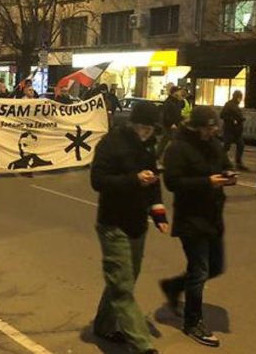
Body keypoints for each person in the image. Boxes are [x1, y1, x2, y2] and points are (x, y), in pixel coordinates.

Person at [90, 102, 168, 354]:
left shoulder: (147, 147)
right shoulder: (111, 143)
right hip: (113, 223)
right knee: (122, 287)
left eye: (150, 129)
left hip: (137, 224)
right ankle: (142, 345)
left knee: (125, 279)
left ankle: (103, 325)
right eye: (142, 128)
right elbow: (98, 181)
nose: (146, 133)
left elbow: (154, 181)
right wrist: (134, 180)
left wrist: (159, 214)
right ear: (132, 123)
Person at [159, 106, 235, 348]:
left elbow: (224, 162)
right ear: (195, 126)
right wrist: (206, 183)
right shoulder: (178, 147)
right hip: (191, 218)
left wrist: (228, 174)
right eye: (206, 128)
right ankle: (193, 322)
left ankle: (173, 286)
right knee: (199, 270)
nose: (210, 132)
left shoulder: (214, 143)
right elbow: (172, 182)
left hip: (213, 216)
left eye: (213, 128)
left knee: (215, 267)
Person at [220, 90, 248, 171]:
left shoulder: (235, 105)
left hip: (236, 131)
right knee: (226, 146)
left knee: (241, 145)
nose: (241, 99)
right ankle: (221, 160)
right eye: (240, 97)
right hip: (230, 130)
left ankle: (238, 162)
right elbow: (222, 115)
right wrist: (233, 120)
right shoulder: (229, 105)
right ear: (237, 97)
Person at [157, 86, 186, 161]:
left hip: (176, 125)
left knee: (174, 143)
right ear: (174, 93)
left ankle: (171, 158)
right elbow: (165, 115)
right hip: (169, 126)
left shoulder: (178, 101)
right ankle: (158, 157)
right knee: (165, 142)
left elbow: (180, 110)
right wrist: (171, 124)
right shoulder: (168, 102)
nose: (180, 93)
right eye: (178, 91)